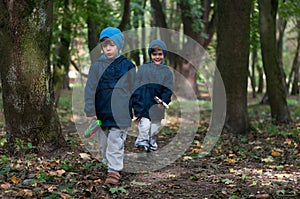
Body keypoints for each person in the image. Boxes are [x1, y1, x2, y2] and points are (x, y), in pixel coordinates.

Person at [84, 27, 136, 186]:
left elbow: (135, 89)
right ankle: (110, 164)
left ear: (119, 45)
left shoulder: (128, 65)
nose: (108, 48)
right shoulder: (96, 66)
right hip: (102, 113)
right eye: (105, 45)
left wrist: (139, 110)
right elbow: (90, 89)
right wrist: (91, 111)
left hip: (121, 114)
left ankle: (114, 171)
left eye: (112, 45)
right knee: (104, 144)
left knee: (115, 142)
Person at [133, 39, 173, 152]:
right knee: (144, 126)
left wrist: (164, 101)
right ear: (150, 55)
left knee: (154, 128)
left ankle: (151, 143)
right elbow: (137, 85)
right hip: (144, 103)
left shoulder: (167, 72)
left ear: (164, 54)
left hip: (157, 106)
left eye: (160, 54)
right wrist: (136, 103)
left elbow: (168, 89)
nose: (157, 57)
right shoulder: (143, 69)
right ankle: (142, 143)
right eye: (154, 54)